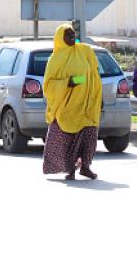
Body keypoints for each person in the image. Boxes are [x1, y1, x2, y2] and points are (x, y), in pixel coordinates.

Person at [42, 24, 103, 180]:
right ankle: (70, 170)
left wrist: (97, 96)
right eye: (67, 35)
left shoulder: (84, 51)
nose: (72, 38)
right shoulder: (55, 59)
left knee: (89, 136)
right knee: (66, 139)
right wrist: (69, 82)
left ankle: (85, 167)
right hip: (66, 107)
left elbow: (93, 74)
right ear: (60, 38)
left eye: (73, 35)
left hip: (86, 104)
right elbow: (48, 86)